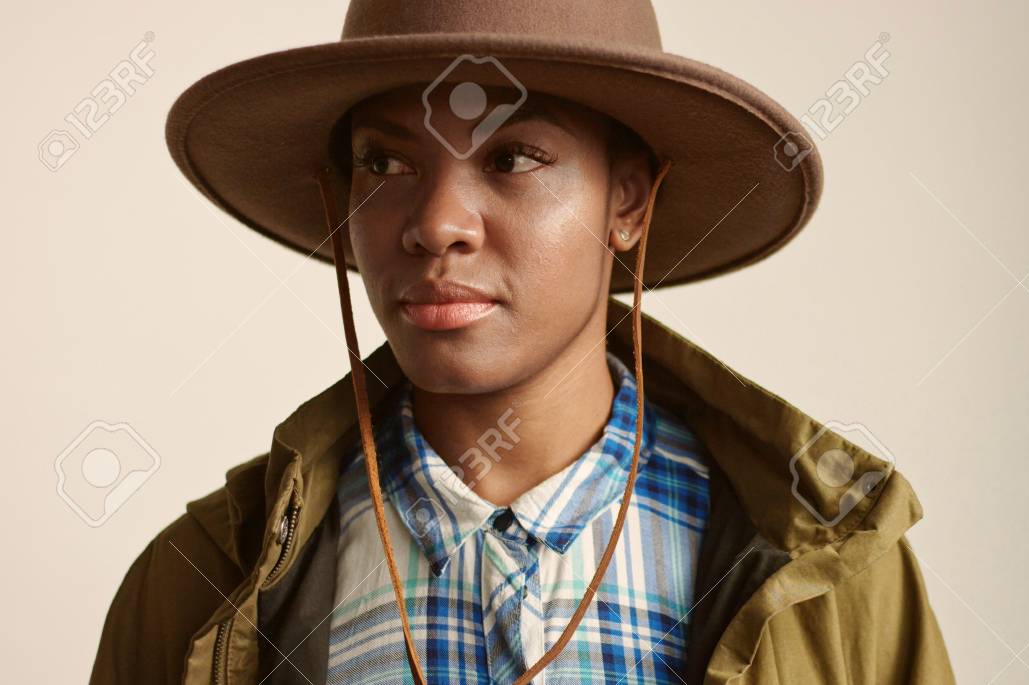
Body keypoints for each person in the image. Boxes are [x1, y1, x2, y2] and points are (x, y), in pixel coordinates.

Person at [92, 1, 955, 683]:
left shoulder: (834, 578)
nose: (435, 225)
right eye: (384, 165)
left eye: (511, 159)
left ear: (629, 204)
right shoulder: (196, 587)